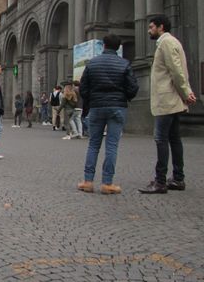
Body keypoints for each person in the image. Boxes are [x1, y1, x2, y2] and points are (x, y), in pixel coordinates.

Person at [139, 15, 197, 194]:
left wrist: (186, 92)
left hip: (167, 100)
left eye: (151, 27)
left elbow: (176, 71)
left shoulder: (166, 43)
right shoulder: (172, 42)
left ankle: (160, 181)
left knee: (161, 139)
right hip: (172, 99)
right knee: (174, 138)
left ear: (161, 27)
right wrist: (185, 92)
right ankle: (178, 178)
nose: (149, 31)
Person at [77, 34, 138, 194]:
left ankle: (88, 181)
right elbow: (133, 87)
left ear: (104, 45)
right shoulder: (124, 64)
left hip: (97, 107)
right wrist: (124, 97)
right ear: (118, 47)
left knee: (93, 144)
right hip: (117, 107)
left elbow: (83, 88)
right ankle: (107, 183)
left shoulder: (92, 63)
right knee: (112, 145)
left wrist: (91, 100)